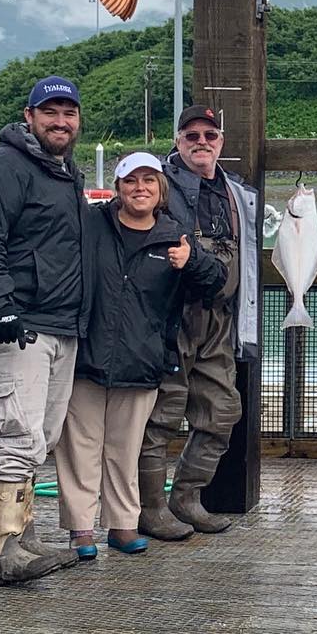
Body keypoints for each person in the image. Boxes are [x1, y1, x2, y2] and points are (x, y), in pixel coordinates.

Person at [58, 153, 225, 559]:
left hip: (141, 361)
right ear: (117, 187)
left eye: (149, 180)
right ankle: (81, 529)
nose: (140, 188)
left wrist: (192, 262)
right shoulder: (91, 224)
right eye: (131, 180)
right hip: (87, 357)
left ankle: (123, 524)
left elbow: (215, 282)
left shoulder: (175, 236)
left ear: (160, 188)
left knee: (125, 449)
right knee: (79, 448)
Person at [0, 76, 87, 586]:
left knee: (38, 438)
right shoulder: (4, 167)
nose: (60, 121)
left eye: (68, 112)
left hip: (56, 325)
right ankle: (2, 550)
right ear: (29, 116)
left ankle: (24, 535)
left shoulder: (65, 174)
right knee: (11, 436)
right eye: (49, 111)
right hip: (13, 327)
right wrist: (2, 307)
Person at [138, 106, 260, 539]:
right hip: (173, 316)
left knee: (222, 410)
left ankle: (187, 498)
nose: (201, 142)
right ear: (178, 141)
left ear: (221, 142)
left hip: (219, 320)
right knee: (161, 416)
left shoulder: (237, 192)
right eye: (191, 136)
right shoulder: (161, 185)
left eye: (210, 135)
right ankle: (151, 509)